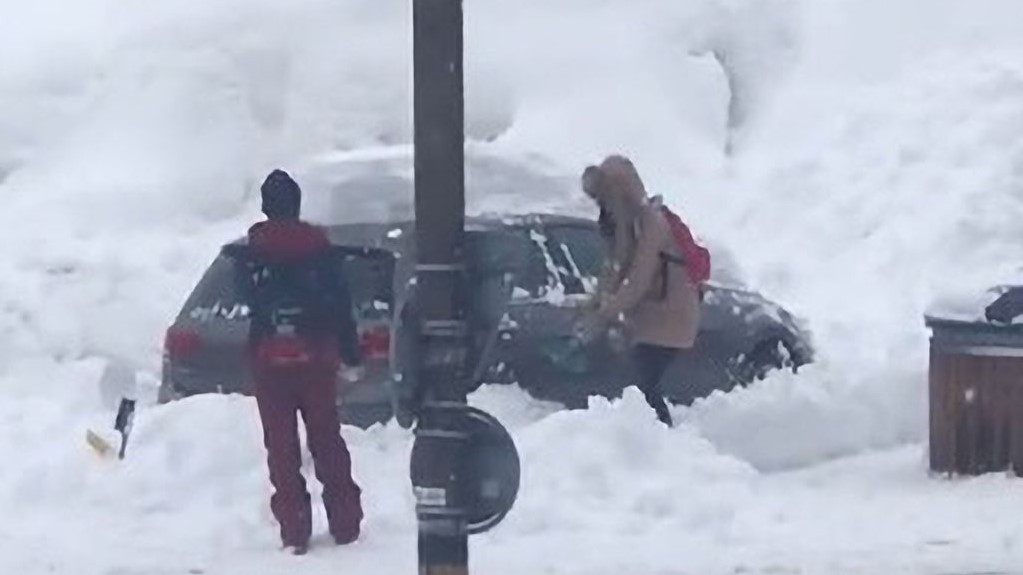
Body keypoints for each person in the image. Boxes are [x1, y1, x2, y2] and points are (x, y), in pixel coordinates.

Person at [235, 169, 364, 554]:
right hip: (317, 355)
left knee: (281, 446)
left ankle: (294, 530)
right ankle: (345, 522)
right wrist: (350, 352)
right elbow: (340, 303)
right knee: (327, 437)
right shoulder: (320, 248)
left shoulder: (251, 252)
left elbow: (247, 300)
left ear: (265, 207)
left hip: (269, 360)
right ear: (297, 203)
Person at [580, 156, 701, 427]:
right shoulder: (626, 225)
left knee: (642, 384)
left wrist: (605, 312)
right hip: (647, 318)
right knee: (637, 383)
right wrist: (596, 301)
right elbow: (614, 268)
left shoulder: (653, 223)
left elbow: (638, 278)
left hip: (671, 316)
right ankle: (654, 437)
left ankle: (661, 439)